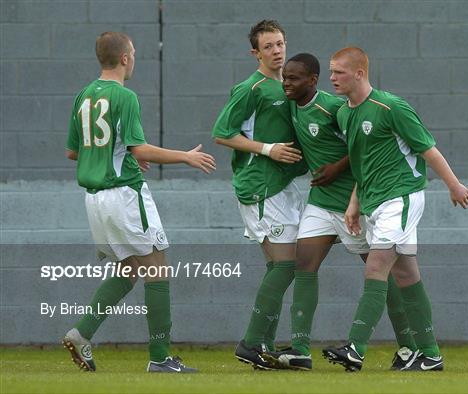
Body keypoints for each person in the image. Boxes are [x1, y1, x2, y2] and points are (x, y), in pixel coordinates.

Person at [63, 31, 216, 373]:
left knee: (129, 270)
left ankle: (81, 332)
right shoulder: (125, 96)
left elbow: (75, 151)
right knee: (157, 268)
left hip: (94, 201)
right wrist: (185, 157)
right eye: (133, 53)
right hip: (124, 195)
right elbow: (140, 149)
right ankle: (160, 357)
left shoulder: (83, 95)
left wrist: (122, 153)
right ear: (125, 58)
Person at [260, 53, 417, 371]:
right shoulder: (292, 104)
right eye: (284, 78)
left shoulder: (334, 108)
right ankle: (301, 349)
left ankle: (410, 347)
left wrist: (336, 168)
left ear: (312, 81)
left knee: (383, 273)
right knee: (304, 264)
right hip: (319, 201)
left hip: (351, 204)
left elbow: (360, 148)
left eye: (293, 78)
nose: (286, 83)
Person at [322, 47, 468, 372]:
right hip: (375, 203)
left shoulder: (391, 106)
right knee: (406, 275)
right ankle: (430, 356)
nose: (332, 78)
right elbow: (363, 165)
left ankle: (355, 348)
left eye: (339, 72)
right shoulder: (346, 113)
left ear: (360, 73)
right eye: (331, 71)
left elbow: (428, 150)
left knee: (376, 267)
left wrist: (454, 185)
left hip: (401, 198)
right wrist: (353, 204)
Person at [212, 20, 307, 370]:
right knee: (285, 265)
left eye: (280, 43)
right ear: (256, 52)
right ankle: (251, 342)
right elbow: (222, 133)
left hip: (281, 186)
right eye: (269, 46)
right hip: (260, 187)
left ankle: (263, 346)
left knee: (278, 267)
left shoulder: (289, 84)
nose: (277, 50)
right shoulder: (251, 87)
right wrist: (268, 149)